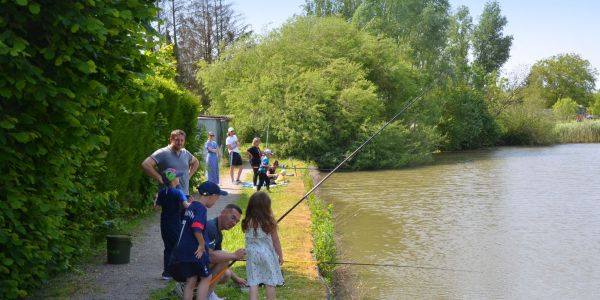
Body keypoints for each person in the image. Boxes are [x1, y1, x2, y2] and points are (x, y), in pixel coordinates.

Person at [172, 181, 228, 300]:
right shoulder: (201, 209)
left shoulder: (192, 206)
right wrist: (202, 245)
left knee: (191, 280)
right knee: (206, 278)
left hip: (183, 250)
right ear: (211, 196)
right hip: (195, 251)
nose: (216, 201)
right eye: (216, 198)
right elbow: (196, 228)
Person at [242, 192, 284, 300]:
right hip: (267, 254)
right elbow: (276, 241)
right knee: (270, 282)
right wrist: (281, 255)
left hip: (251, 254)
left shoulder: (247, 221)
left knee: (253, 282)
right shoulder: (269, 222)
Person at [205, 204, 247, 300]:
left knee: (227, 274)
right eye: (233, 218)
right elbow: (209, 256)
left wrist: (237, 279)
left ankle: (206, 291)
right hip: (186, 267)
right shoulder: (211, 227)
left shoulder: (219, 234)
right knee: (225, 256)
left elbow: (218, 260)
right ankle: (205, 295)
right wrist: (234, 255)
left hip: (198, 265)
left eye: (236, 221)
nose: (234, 223)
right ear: (223, 212)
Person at [155, 168, 190, 280]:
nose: (179, 178)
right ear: (173, 179)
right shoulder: (178, 192)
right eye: (177, 176)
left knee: (168, 247)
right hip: (175, 223)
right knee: (178, 246)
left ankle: (167, 273)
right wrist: (195, 204)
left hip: (164, 223)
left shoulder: (161, 192)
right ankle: (179, 272)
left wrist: (156, 199)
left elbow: (156, 208)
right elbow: (186, 206)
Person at [142, 129, 199, 196]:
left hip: (184, 194)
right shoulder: (162, 152)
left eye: (182, 140)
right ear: (171, 139)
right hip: (168, 195)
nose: (180, 142)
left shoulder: (185, 153)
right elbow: (146, 164)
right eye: (177, 140)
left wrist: (188, 176)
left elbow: (196, 162)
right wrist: (158, 177)